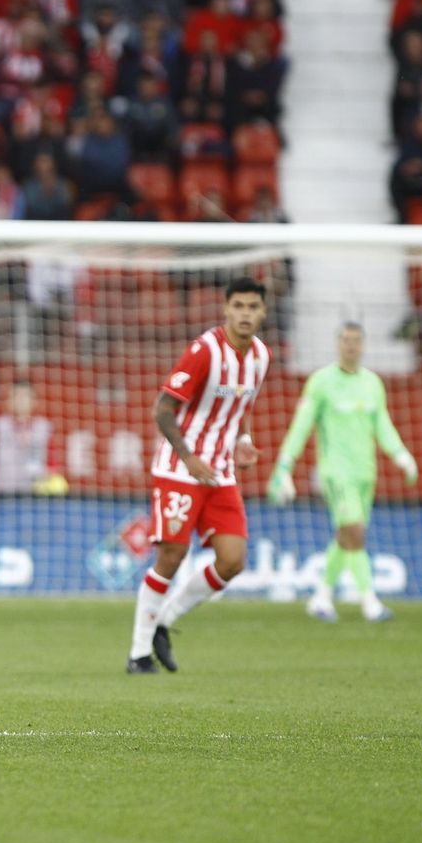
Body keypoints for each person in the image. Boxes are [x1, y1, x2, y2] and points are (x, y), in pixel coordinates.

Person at [127, 277, 271, 675]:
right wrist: (188, 456)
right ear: (226, 309)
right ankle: (138, 653)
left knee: (233, 560)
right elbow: (162, 409)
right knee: (172, 555)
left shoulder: (260, 356)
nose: (245, 314)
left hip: (221, 472)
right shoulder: (204, 351)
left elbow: (240, 409)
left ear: (263, 312)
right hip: (179, 470)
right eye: (238, 306)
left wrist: (243, 439)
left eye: (252, 307)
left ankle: (164, 623)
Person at [267, 323, 417, 623]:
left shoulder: (373, 383)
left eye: (356, 341)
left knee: (346, 536)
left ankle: (321, 597)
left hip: (365, 473)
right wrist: (285, 465)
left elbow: (382, 425)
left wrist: (401, 454)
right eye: (346, 340)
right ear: (338, 345)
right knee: (356, 533)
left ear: (363, 346)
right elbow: (301, 426)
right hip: (336, 473)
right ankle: (370, 601)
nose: (351, 346)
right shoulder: (321, 382)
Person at [0, 381, 65, 494]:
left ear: (34, 401)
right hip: (1, 494)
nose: (20, 400)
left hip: (34, 495)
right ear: (9, 400)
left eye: (25, 396)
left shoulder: (43, 427)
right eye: (16, 395)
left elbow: (52, 463)